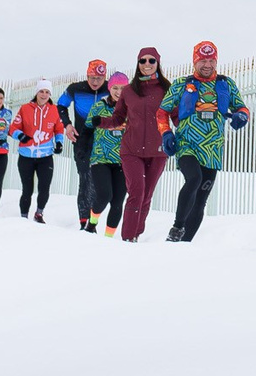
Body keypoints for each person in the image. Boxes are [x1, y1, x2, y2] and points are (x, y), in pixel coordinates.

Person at [164, 43, 249, 242]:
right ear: (195, 61)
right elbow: (162, 111)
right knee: (193, 179)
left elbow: (242, 108)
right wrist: (166, 132)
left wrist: (241, 117)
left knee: (201, 200)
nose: (207, 65)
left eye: (211, 60)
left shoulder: (226, 84)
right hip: (187, 144)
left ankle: (185, 243)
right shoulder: (181, 84)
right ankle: (176, 229)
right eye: (203, 60)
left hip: (213, 149)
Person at [101, 49, 174, 240]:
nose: (147, 64)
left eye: (151, 60)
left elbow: (176, 116)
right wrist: (100, 122)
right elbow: (118, 117)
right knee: (137, 192)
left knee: (147, 195)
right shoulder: (129, 91)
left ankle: (136, 234)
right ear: (138, 64)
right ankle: (127, 238)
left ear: (158, 63)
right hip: (131, 150)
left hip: (158, 151)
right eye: (143, 61)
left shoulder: (167, 89)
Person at [60, 60, 114, 231]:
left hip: (105, 143)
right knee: (85, 180)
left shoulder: (110, 88)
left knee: (99, 184)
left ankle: (93, 220)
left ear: (105, 77)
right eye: (92, 77)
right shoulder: (76, 88)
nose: (95, 82)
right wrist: (67, 124)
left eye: (99, 78)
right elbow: (61, 105)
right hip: (82, 140)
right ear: (87, 75)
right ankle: (84, 222)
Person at [11, 81, 67, 221]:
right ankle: (23, 217)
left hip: (45, 156)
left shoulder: (54, 110)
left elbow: (59, 128)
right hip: (26, 156)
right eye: (41, 91)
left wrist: (59, 142)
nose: (44, 95)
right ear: (36, 93)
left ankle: (39, 213)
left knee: (44, 188)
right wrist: (20, 135)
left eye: (47, 92)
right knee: (27, 189)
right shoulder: (25, 108)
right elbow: (13, 128)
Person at [87, 78, 130, 235]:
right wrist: (83, 149)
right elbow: (87, 128)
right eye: (115, 88)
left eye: (123, 88)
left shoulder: (131, 108)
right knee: (104, 195)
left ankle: (108, 238)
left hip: (123, 160)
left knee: (118, 201)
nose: (119, 92)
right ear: (110, 89)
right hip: (101, 158)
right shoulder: (99, 106)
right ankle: (92, 223)